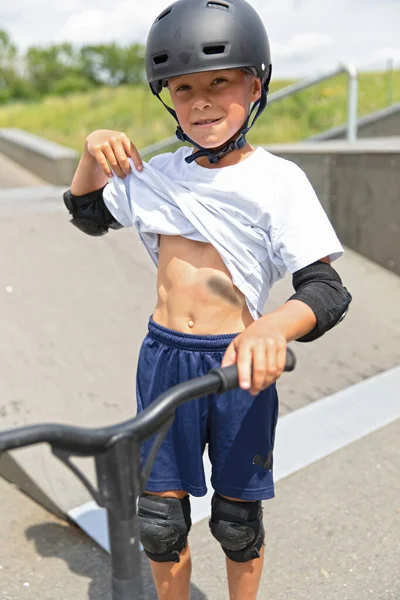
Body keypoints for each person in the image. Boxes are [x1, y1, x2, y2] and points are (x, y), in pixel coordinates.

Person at [63, 0, 352, 598]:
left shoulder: (278, 181)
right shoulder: (160, 174)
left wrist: (273, 329)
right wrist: (92, 152)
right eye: (184, 87)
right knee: (159, 522)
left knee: (236, 521)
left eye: (220, 82)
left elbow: (325, 289)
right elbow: (89, 214)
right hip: (164, 358)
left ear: (256, 83)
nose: (200, 100)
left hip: (238, 363)